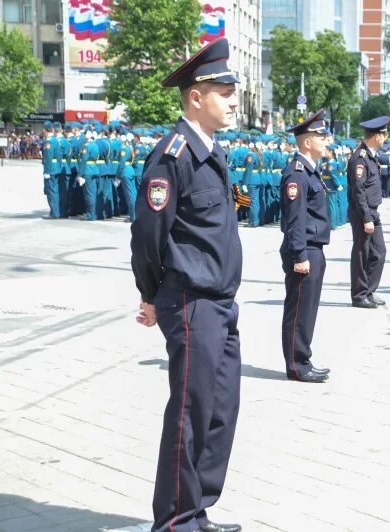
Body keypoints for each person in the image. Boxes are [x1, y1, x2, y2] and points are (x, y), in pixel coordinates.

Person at [129, 38, 243, 532]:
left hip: (221, 303)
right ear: (196, 96)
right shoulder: (172, 157)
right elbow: (148, 236)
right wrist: (152, 295)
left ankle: (197, 509)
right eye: (224, 90)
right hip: (192, 302)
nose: (233, 99)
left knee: (220, 413)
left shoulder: (212, 153)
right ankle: (175, 520)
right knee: (190, 416)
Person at [279, 109, 332, 383]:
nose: (327, 142)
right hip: (305, 250)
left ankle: (303, 358)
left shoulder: (309, 171)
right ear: (307, 142)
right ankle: (297, 364)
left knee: (307, 309)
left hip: (313, 248)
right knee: (299, 309)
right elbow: (295, 219)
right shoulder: (297, 174)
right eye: (321, 137)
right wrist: (300, 254)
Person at [348, 116, 390, 309]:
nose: (385, 138)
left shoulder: (371, 156)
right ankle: (359, 295)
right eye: (384, 134)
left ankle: (369, 290)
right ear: (377, 136)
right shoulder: (360, 158)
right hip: (363, 213)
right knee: (361, 253)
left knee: (379, 252)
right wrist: (366, 217)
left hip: (373, 212)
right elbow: (359, 191)